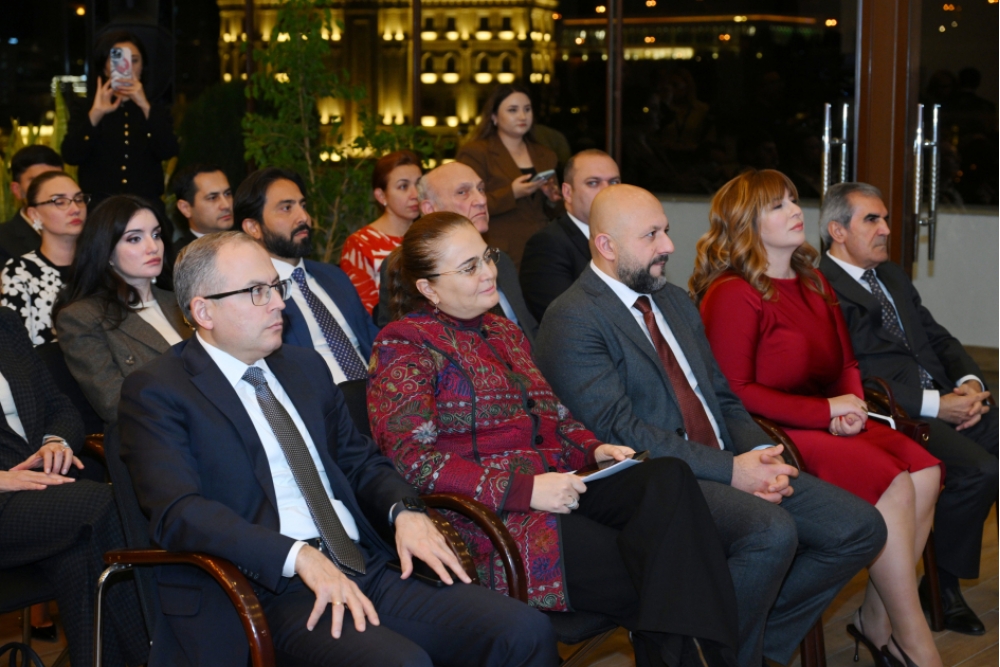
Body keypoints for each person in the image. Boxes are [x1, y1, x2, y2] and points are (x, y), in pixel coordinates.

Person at [118, 231, 559, 667]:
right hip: (262, 589)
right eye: (257, 292)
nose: (279, 303)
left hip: (359, 561)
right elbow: (179, 512)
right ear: (203, 311)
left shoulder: (303, 367)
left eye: (275, 286)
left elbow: (359, 461)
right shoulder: (159, 390)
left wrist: (405, 511)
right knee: (401, 663)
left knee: (523, 631)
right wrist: (296, 555)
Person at [534, 184, 887, 667]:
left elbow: (722, 399)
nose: (668, 246)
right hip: (657, 482)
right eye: (651, 235)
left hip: (728, 460)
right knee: (770, 533)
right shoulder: (574, 317)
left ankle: (744, 648)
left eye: (666, 231)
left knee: (860, 528)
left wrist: (762, 457)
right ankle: (726, 649)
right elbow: (621, 432)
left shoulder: (674, 301)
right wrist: (733, 471)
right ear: (607, 246)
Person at [369, 212, 740, 667]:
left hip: (559, 485)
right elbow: (411, 461)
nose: (489, 272)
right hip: (489, 518)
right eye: (469, 267)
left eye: (487, 257)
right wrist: (525, 490)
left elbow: (554, 414)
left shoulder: (503, 329)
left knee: (668, 478)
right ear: (428, 288)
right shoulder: (404, 345)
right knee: (667, 566)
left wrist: (594, 448)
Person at [692, 170, 944, 667]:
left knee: (927, 470)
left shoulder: (813, 280)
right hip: (771, 433)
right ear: (746, 222)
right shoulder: (732, 292)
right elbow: (734, 393)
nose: (795, 211)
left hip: (823, 421)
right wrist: (825, 411)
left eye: (793, 200)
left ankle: (878, 620)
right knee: (893, 482)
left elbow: (846, 363)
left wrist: (850, 408)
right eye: (778, 206)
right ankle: (914, 642)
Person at [818, 181, 998, 636]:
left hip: (941, 397)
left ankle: (941, 580)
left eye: (884, 218)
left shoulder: (892, 275)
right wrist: (939, 405)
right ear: (837, 231)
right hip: (893, 415)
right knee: (978, 469)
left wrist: (969, 383)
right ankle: (944, 590)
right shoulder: (822, 287)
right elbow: (850, 375)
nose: (885, 228)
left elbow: (936, 337)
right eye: (871, 220)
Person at [0, 306, 148, 667]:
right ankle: (158, 653)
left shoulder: (6, 323)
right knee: (109, 505)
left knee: (81, 560)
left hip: (46, 494)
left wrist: (55, 441)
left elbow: (59, 406)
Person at [55, 195, 191, 427]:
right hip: (157, 432)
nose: (153, 247)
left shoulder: (181, 300)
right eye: (134, 239)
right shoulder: (82, 318)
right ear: (107, 251)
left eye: (156, 235)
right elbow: (114, 403)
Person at [236, 167, 378, 383]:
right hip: (320, 400)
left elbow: (375, 341)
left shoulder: (334, 276)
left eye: (303, 206)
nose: (303, 217)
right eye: (286, 208)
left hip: (377, 393)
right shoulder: (253, 295)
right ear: (253, 227)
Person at [374, 162, 539, 343]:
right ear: (430, 209)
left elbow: (530, 330)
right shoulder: (409, 266)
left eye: (481, 189)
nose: (481, 200)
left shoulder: (500, 259)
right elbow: (398, 342)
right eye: (462, 192)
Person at [61, 30, 179, 210]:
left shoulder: (155, 109)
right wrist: (95, 115)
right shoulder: (86, 107)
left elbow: (168, 150)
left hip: (145, 207)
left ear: (143, 67)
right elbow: (71, 155)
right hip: (100, 210)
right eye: (117, 60)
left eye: (134, 60)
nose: (127, 67)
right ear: (104, 67)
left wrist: (145, 106)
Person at [456, 84, 561, 265]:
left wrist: (552, 199)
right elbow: (465, 205)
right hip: (501, 251)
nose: (522, 116)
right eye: (513, 110)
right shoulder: (476, 153)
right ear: (494, 117)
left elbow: (558, 212)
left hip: (543, 248)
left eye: (527, 109)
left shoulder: (545, 154)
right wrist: (512, 193)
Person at [519, 149, 620, 320]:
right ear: (567, 192)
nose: (607, 191)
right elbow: (563, 319)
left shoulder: (627, 237)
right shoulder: (547, 245)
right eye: (593, 183)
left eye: (614, 182)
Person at [1, 172, 87, 346]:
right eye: (60, 202)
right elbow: (16, 348)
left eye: (79, 199)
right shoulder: (20, 271)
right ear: (34, 214)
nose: (75, 209)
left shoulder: (103, 263)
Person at [340, 150, 421, 314]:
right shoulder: (360, 243)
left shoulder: (430, 236)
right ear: (381, 196)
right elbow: (363, 312)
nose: (415, 194)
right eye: (403, 186)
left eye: (419, 184)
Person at [0, 145, 64, 265]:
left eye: (57, 181)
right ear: (17, 190)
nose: (50, 189)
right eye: (37, 182)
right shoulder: (3, 239)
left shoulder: (83, 232)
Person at [171, 164, 234, 255]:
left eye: (227, 194)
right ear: (185, 208)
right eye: (213, 198)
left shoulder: (248, 243)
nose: (226, 205)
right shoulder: (176, 258)